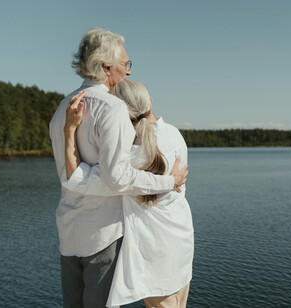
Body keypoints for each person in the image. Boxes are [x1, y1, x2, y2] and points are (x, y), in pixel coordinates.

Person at [49, 28, 188, 308]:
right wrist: (167, 182)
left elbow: (69, 174)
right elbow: (118, 177)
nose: (127, 72)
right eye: (125, 64)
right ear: (104, 67)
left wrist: (75, 177)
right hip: (104, 235)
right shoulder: (112, 108)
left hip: (68, 231)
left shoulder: (62, 107)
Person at [65, 80, 194, 308]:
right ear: (150, 102)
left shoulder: (132, 156)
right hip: (181, 237)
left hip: (155, 247)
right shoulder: (175, 134)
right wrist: (169, 182)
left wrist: (70, 130)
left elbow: (79, 177)